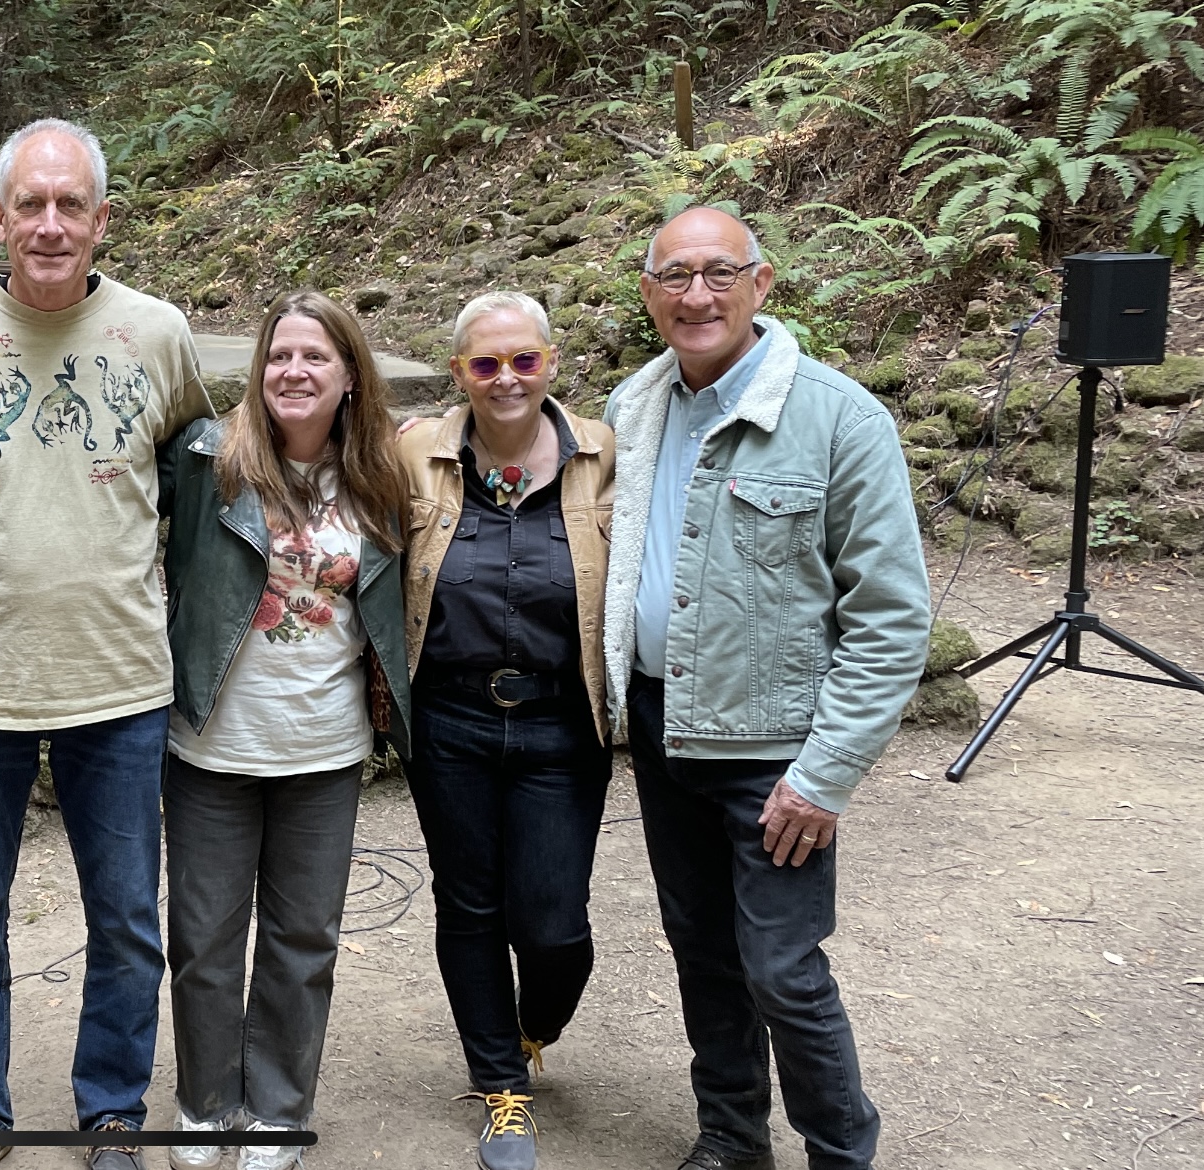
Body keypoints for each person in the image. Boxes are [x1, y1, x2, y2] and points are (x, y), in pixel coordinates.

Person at [0, 116, 214, 1170]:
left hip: (119, 678)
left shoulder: (158, 333)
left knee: (124, 914)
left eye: (72, 204)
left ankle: (111, 1108)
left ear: (103, 218)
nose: (52, 223)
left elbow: (197, 482)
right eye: (32, 202)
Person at [603, 206, 929, 1170]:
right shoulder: (636, 407)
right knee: (701, 952)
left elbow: (891, 616)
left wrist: (824, 775)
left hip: (776, 747)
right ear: (649, 291)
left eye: (718, 272)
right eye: (674, 276)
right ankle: (731, 1138)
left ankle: (840, 1152)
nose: (695, 295)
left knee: (782, 969)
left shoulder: (839, 418)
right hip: (665, 729)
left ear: (763, 281)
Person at [156, 290, 412, 1170]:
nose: (293, 372)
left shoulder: (383, 477)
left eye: (315, 358)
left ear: (349, 377)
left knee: (304, 943)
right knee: (203, 942)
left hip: (324, 750)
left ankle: (276, 1110)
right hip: (211, 745)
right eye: (279, 356)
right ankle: (206, 1103)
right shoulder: (205, 461)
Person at [397, 291, 617, 1170]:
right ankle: (502, 1087)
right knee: (471, 904)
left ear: (551, 363)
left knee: (556, 926)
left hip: (564, 722)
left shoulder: (605, 453)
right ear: (459, 374)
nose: (507, 379)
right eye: (485, 364)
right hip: (447, 717)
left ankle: (534, 1026)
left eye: (524, 360)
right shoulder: (416, 452)